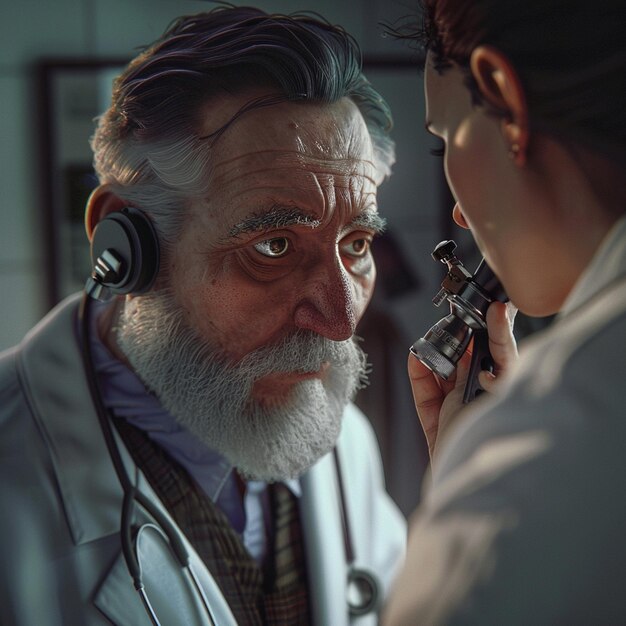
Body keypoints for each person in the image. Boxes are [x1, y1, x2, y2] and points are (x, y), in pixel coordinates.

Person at [0, 7, 407, 625]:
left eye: (355, 245)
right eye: (273, 246)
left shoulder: (344, 442)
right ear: (125, 246)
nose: (339, 319)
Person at [383, 0, 626, 624]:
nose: (460, 214)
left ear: (504, 103)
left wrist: (478, 482)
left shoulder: (538, 459)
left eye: (445, 145)